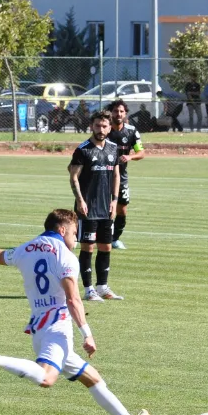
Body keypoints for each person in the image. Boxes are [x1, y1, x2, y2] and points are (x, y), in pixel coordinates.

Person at [0, 209, 151, 415]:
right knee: (46, 377)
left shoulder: (25, 249)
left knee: (92, 378)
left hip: (39, 327)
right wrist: (87, 334)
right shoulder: (65, 257)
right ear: (62, 230)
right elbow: (73, 299)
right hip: (58, 328)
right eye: (73, 233)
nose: (75, 238)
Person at [69, 110, 122, 302]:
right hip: (87, 208)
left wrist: (114, 201)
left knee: (106, 247)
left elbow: (116, 175)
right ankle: (88, 289)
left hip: (106, 208)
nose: (101, 129)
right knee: (87, 247)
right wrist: (80, 201)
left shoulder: (113, 149)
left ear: (110, 128)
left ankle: (103, 287)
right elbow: (73, 176)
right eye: (98, 125)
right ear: (92, 126)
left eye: (104, 126)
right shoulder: (83, 150)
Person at [106, 100, 145, 251]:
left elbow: (141, 152)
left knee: (122, 210)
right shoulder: (105, 129)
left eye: (121, 111)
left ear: (125, 113)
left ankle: (115, 239)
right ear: (111, 113)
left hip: (121, 177)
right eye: (116, 111)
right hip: (102, 175)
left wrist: (130, 157)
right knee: (100, 208)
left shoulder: (131, 131)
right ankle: (83, 235)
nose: (118, 114)